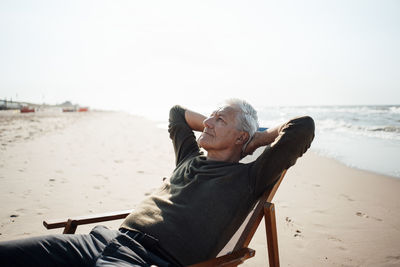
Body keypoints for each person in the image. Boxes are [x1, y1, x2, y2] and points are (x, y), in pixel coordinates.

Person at [0, 99, 315, 267]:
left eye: (219, 120)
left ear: (242, 137)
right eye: (210, 116)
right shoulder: (189, 157)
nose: (206, 122)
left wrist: (256, 140)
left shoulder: (250, 176)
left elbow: (303, 126)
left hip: (147, 260)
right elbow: (177, 113)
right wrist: (219, 124)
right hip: (101, 240)